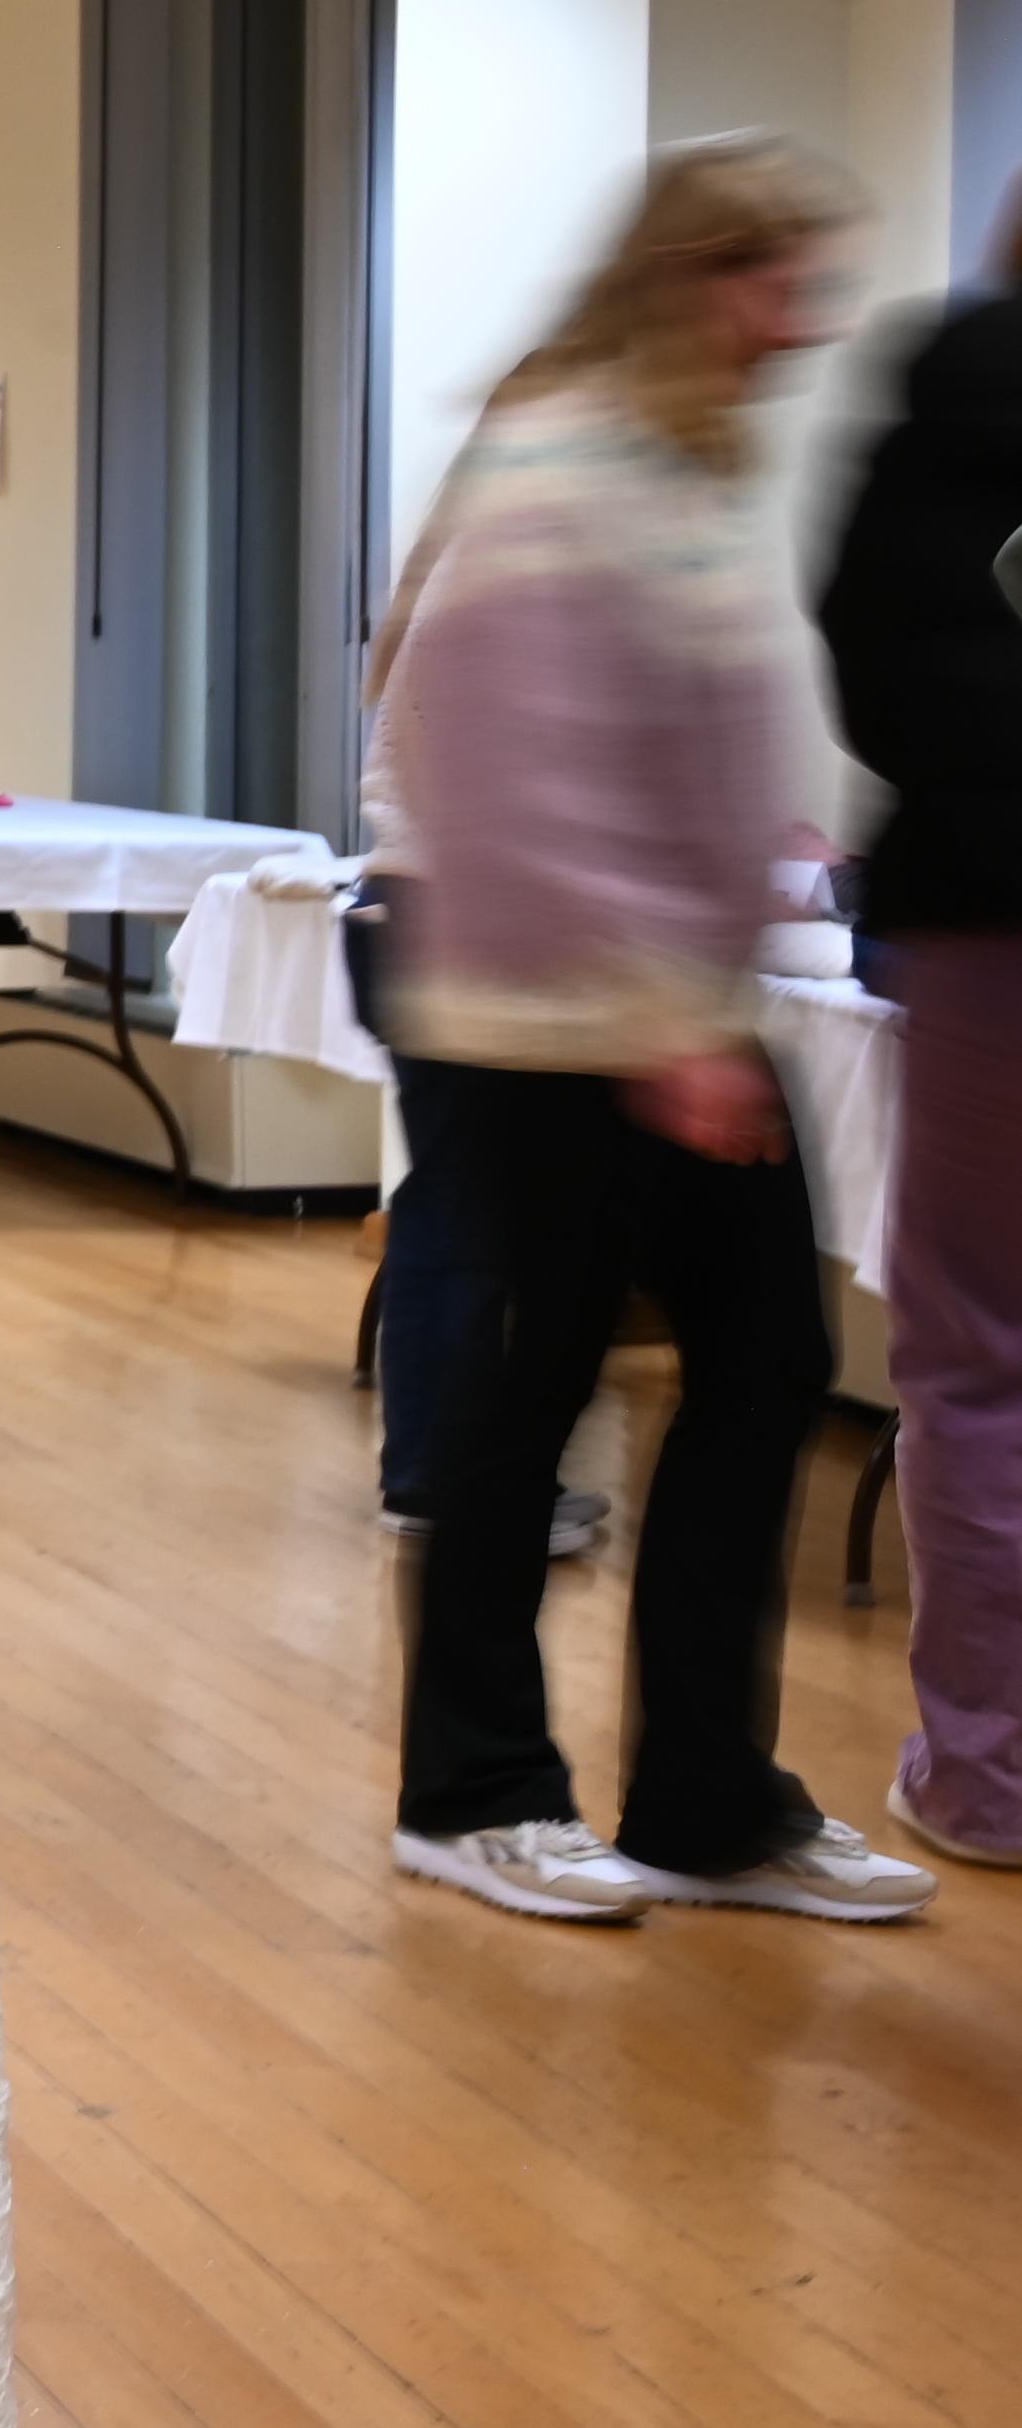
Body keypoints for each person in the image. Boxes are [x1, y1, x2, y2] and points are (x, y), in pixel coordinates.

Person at [378, 135, 933, 1928]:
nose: (808, 323)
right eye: (783, 283)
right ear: (694, 277)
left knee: (766, 1365)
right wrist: (652, 1022)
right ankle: (469, 1792)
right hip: (542, 1025)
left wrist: (746, 871)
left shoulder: (685, 461)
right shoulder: (561, 464)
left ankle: (705, 1800)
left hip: (674, 1011)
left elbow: (661, 738)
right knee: (524, 1401)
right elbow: (504, 779)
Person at [816, 182, 1022, 1866]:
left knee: (977, 1355)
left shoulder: (945, 403)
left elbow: (866, 660)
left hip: (989, 913)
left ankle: (988, 1777)